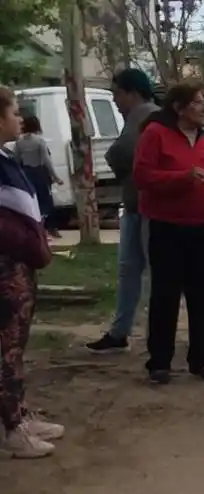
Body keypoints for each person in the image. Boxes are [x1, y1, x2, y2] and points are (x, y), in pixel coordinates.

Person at [86, 69, 204, 355]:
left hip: (158, 212)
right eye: (199, 102)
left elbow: (122, 153)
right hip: (144, 207)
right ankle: (124, 334)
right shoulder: (154, 125)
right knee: (136, 271)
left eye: (117, 93)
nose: (115, 100)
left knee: (169, 278)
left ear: (132, 92)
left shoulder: (147, 117)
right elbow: (145, 170)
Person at [133, 80, 204, 385]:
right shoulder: (155, 134)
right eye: (197, 102)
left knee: (202, 294)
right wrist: (182, 177)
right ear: (179, 107)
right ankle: (159, 362)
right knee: (165, 295)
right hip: (167, 225)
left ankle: (202, 358)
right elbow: (142, 176)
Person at [0, 85, 64, 459]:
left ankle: (19, 413)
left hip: (19, 263)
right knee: (6, 348)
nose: (19, 118)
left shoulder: (6, 157)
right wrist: (27, 243)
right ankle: (12, 428)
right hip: (6, 265)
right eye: (12, 111)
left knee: (16, 344)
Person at [14, 116, 63, 238]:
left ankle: (35, 228)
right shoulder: (40, 141)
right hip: (39, 172)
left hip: (26, 172)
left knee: (31, 201)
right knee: (46, 201)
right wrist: (56, 177)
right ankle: (51, 228)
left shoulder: (19, 142)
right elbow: (47, 160)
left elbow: (16, 159)